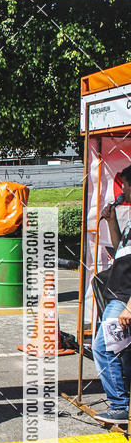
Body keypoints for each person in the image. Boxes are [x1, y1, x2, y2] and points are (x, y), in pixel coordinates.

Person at [93, 165, 131, 424]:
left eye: (127, 185)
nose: (124, 190)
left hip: (124, 298)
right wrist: (111, 220)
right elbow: (120, 249)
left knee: (103, 346)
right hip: (118, 294)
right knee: (120, 349)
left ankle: (119, 405)